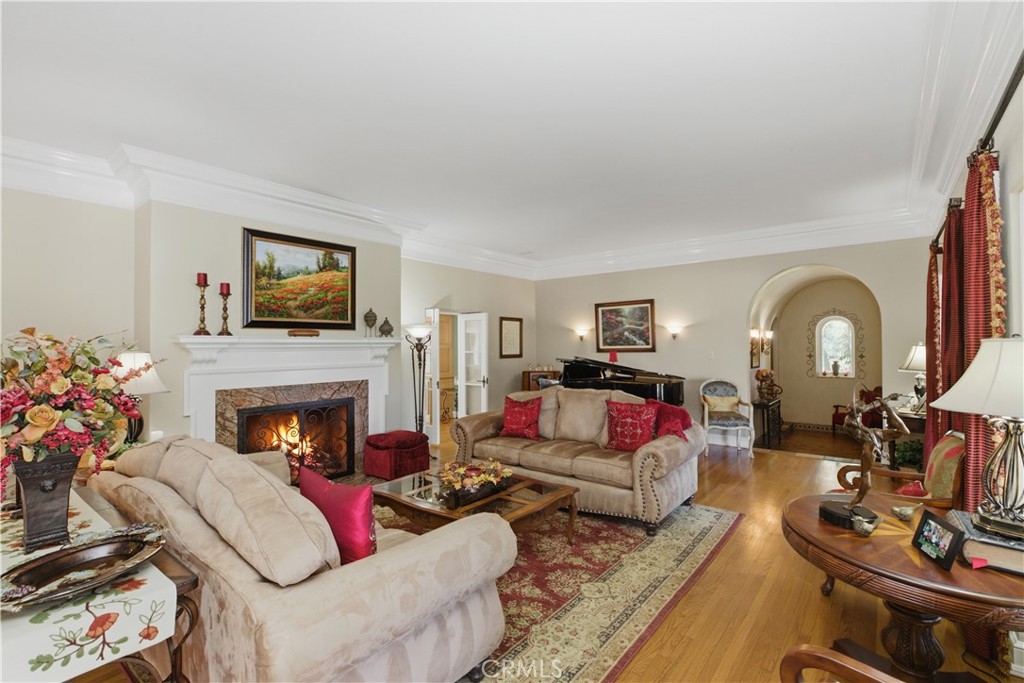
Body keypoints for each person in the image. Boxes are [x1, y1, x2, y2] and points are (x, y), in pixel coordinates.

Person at [842, 384, 910, 511]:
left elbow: (871, 406)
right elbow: (867, 432)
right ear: (851, 410)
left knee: (903, 431)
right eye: (859, 409)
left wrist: (888, 399)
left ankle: (889, 409)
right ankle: (857, 501)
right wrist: (878, 448)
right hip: (869, 441)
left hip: (872, 436)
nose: (863, 411)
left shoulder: (858, 411)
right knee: (866, 475)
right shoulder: (849, 422)